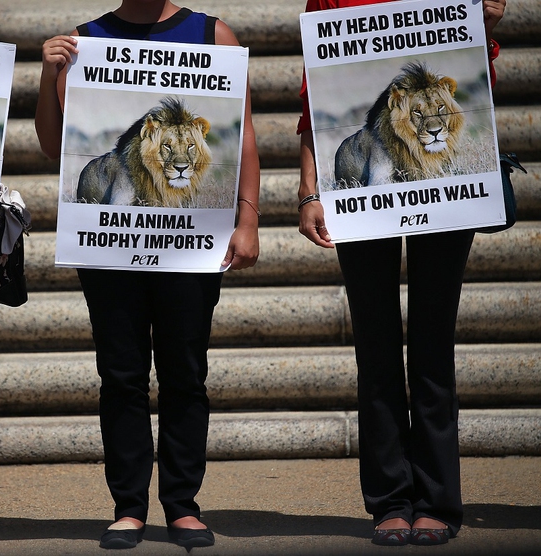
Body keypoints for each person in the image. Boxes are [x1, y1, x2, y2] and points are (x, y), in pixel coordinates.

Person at [35, 0, 260, 549]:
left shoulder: (213, 34)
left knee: (185, 372)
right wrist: (48, 76)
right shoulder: (83, 41)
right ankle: (129, 506)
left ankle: (182, 505)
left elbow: (244, 135)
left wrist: (248, 218)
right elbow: (50, 146)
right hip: (111, 248)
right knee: (121, 374)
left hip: (189, 247)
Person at [297, 0, 506, 547]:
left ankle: (437, 498)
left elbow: (477, 72)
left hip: (445, 195)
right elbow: (312, 95)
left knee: (433, 341)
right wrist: (310, 190)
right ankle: (390, 498)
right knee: (377, 341)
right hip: (367, 186)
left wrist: (487, 22)